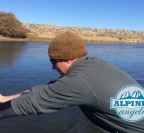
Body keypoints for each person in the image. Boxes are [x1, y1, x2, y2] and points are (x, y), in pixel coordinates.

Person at [0, 31, 143, 132]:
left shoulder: (79, 82)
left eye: (53, 61)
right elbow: (50, 89)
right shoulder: (94, 65)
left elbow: (30, 104)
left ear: (68, 58)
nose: (52, 67)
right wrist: (5, 98)